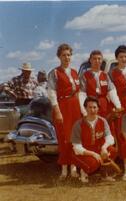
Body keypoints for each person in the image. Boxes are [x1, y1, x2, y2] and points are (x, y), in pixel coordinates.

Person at [47, 43, 81, 180]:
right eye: (63, 55)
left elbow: (79, 92)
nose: (66, 57)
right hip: (62, 106)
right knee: (63, 137)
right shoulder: (54, 73)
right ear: (59, 57)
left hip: (75, 106)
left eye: (68, 55)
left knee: (75, 137)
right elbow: (51, 93)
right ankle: (64, 169)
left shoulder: (74, 72)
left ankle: (74, 167)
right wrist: (58, 111)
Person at [71, 96, 117, 183]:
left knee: (112, 151)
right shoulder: (78, 124)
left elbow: (110, 138)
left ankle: (104, 174)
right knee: (93, 163)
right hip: (82, 152)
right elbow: (76, 147)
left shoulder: (103, 121)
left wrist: (104, 147)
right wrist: (93, 154)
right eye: (90, 107)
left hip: (98, 148)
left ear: (98, 108)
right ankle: (84, 171)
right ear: (85, 108)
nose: (92, 110)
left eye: (94, 107)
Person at [79, 50, 122, 117]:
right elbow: (82, 95)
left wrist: (118, 105)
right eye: (94, 59)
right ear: (90, 60)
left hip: (104, 106)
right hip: (91, 106)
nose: (97, 61)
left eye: (99, 59)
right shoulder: (84, 76)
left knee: (106, 125)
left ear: (101, 60)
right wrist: (84, 112)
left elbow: (112, 92)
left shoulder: (105, 75)